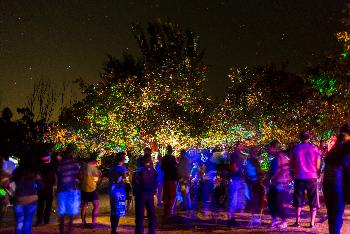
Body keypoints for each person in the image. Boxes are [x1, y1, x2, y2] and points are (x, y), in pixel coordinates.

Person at [323, 124, 350, 234]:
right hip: (338, 185)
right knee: (337, 215)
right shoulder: (347, 147)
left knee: (333, 215)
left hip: (328, 184)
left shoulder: (335, 148)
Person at [291, 131, 321, 228]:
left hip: (299, 177)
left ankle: (297, 222)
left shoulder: (296, 148)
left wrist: (295, 172)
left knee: (298, 199)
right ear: (309, 138)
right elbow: (318, 165)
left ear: (300, 138)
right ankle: (312, 223)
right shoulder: (314, 148)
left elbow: (292, 163)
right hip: (312, 177)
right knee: (313, 200)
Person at [11, 150, 42, 234]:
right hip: (32, 199)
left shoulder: (17, 171)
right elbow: (40, 186)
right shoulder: (35, 172)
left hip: (19, 199)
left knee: (19, 223)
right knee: (28, 222)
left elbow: (10, 183)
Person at [56, 144, 81, 234]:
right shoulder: (75, 163)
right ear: (72, 152)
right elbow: (79, 176)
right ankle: (69, 231)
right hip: (72, 190)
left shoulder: (61, 163)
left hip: (62, 190)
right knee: (71, 214)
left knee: (62, 213)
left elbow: (58, 177)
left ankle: (62, 231)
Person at [267, 140, 292, 229]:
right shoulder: (281, 156)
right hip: (278, 183)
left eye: (270, 147)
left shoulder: (279, 157)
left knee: (277, 202)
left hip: (280, 183)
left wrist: (269, 177)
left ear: (274, 147)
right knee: (272, 202)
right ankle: (275, 219)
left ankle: (283, 221)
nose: (268, 149)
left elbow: (276, 171)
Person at [133, 154, 158, 234]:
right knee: (151, 215)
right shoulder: (153, 171)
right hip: (149, 194)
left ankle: (139, 231)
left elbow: (135, 182)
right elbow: (155, 182)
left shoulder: (139, 171)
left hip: (141, 194)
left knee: (140, 215)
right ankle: (151, 231)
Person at [227, 143, 247, 227]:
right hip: (235, 179)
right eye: (241, 145)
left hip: (238, 179)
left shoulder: (239, 155)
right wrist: (241, 171)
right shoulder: (234, 155)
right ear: (237, 146)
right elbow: (233, 167)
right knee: (233, 200)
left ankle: (232, 218)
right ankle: (230, 219)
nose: (243, 146)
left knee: (237, 200)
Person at [36, 148, 56, 226]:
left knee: (41, 205)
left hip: (41, 188)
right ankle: (46, 220)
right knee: (47, 205)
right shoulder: (51, 167)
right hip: (47, 188)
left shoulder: (40, 166)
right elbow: (53, 177)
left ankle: (39, 220)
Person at [245, 148, 264, 227]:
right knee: (253, 202)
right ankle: (255, 219)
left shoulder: (255, 162)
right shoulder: (249, 162)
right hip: (250, 183)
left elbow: (259, 173)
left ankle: (256, 220)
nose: (251, 155)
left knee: (255, 202)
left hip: (255, 183)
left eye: (253, 153)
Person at [109, 152, 127, 234]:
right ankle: (114, 230)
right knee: (117, 211)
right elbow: (120, 180)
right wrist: (124, 177)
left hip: (112, 191)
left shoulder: (112, 168)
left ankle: (113, 229)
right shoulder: (122, 169)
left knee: (113, 210)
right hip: (119, 191)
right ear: (123, 159)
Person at [81, 154, 101, 227]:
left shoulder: (83, 167)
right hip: (92, 189)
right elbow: (97, 180)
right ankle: (94, 222)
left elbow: (80, 177)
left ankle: (83, 222)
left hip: (84, 189)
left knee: (84, 205)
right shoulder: (93, 169)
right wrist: (99, 177)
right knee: (96, 205)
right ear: (93, 161)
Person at [161, 145, 177, 218]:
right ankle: (169, 211)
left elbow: (162, 168)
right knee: (172, 195)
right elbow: (175, 168)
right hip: (171, 179)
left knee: (166, 195)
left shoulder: (164, 158)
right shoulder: (173, 158)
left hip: (166, 178)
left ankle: (166, 211)